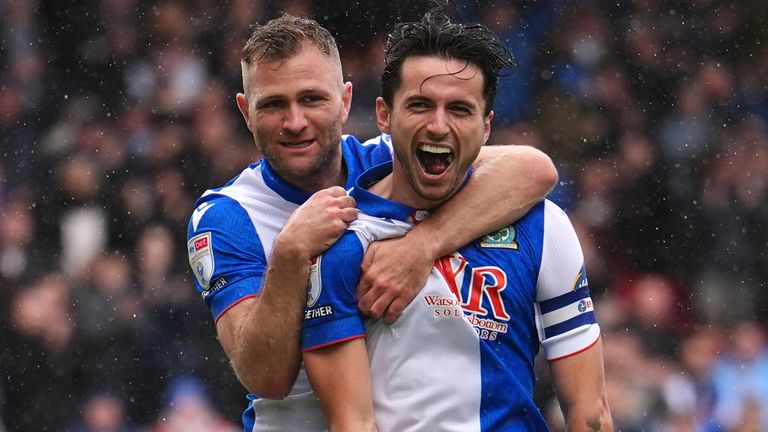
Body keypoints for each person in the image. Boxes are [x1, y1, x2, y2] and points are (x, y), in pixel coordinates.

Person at [186, 13, 558, 431]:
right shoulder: (225, 216)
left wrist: (422, 245)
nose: (294, 122)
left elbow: (533, 170)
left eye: (312, 99)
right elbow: (265, 377)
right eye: (273, 104)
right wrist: (291, 253)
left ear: (345, 100)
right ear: (245, 112)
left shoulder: (389, 160)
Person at [300, 9, 612, 431]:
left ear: (486, 128)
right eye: (420, 105)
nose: (438, 125)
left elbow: (590, 413)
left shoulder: (544, 226)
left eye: (460, 110)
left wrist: (423, 245)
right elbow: (352, 423)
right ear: (383, 115)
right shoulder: (340, 242)